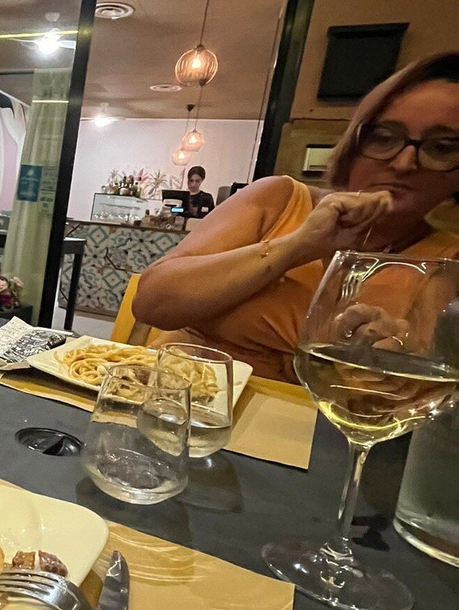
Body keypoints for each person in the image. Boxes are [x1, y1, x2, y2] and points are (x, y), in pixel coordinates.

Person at [134, 51, 459, 383]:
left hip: (313, 417)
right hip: (175, 396)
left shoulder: (448, 262)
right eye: (384, 137)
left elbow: (428, 395)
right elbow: (152, 302)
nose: (404, 163)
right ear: (354, 143)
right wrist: (298, 246)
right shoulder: (280, 199)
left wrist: (394, 366)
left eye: (442, 147)